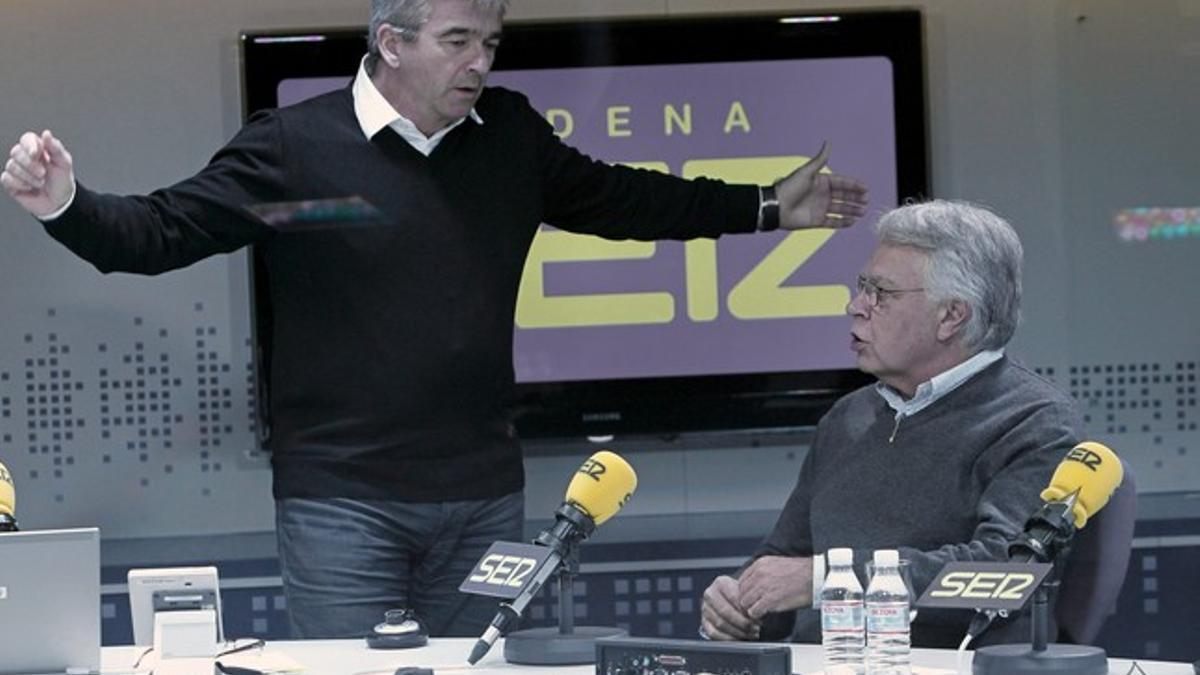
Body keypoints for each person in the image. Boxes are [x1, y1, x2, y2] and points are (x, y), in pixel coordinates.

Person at [2, 0, 869, 640]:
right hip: (341, 502)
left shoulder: (510, 135)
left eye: (489, 43)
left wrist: (762, 205)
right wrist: (65, 203)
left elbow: (625, 197)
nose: (479, 63)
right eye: (458, 42)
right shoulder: (292, 146)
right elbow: (158, 232)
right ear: (392, 43)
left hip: (482, 496)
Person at [700, 199, 1082, 648]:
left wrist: (830, 581)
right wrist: (741, 605)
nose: (855, 306)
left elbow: (1004, 569)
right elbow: (787, 556)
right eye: (862, 287)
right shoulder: (849, 417)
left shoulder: (1034, 420)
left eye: (880, 293)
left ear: (951, 316)